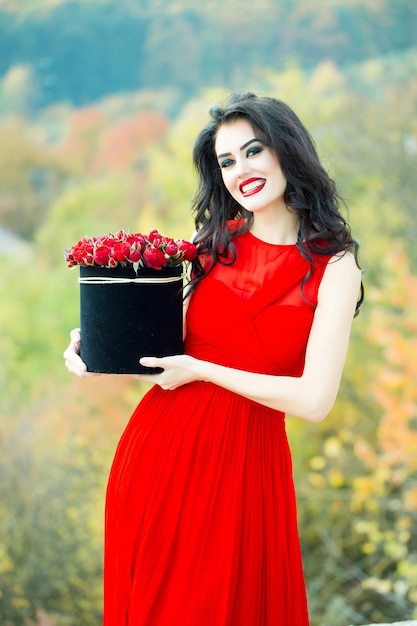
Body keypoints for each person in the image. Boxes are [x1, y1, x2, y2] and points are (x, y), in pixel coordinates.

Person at [64, 91, 363, 626]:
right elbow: (162, 351)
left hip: (249, 470)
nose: (240, 170)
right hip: (160, 456)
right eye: (226, 161)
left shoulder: (335, 267)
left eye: (253, 151)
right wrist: (98, 344)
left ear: (286, 150)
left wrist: (203, 371)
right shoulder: (210, 249)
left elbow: (315, 400)